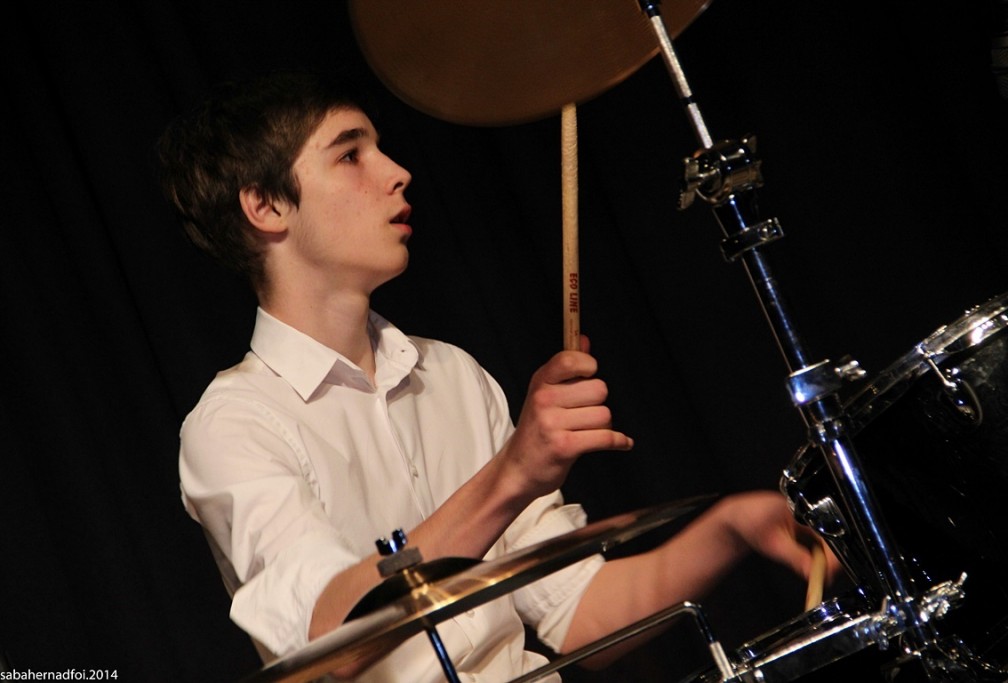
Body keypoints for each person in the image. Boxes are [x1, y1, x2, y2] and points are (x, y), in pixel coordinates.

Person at [157, 71, 837, 682]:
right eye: (350, 154)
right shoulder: (234, 424)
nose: (397, 172)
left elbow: (576, 615)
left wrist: (731, 528)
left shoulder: (450, 373)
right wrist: (513, 473)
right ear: (265, 206)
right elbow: (331, 636)